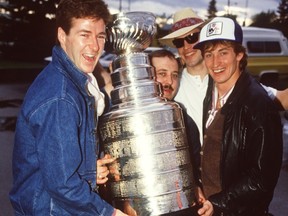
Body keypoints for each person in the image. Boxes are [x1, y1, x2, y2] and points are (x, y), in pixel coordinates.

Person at [9, 0, 127, 215]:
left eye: (100, 36)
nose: (94, 46)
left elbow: (57, 164)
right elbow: (63, 186)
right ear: (63, 36)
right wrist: (109, 213)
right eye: (84, 35)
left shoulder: (73, 81)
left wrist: (91, 170)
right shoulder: (61, 96)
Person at [159, 8, 288, 146]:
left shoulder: (228, 79)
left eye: (191, 37)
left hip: (228, 164)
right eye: (179, 42)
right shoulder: (173, 83)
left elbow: (281, 98)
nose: (186, 46)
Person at [193, 16, 283, 215]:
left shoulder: (258, 104)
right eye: (209, 54)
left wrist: (219, 202)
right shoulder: (212, 92)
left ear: (240, 54)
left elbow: (262, 179)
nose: (215, 62)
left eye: (223, 52)